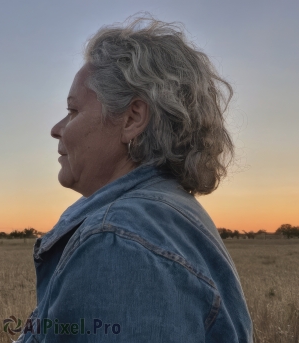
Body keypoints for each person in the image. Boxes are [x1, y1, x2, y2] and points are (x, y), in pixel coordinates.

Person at [15, 15, 253, 343]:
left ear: (132, 118)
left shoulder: (119, 242)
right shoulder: (161, 214)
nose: (57, 129)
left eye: (73, 111)